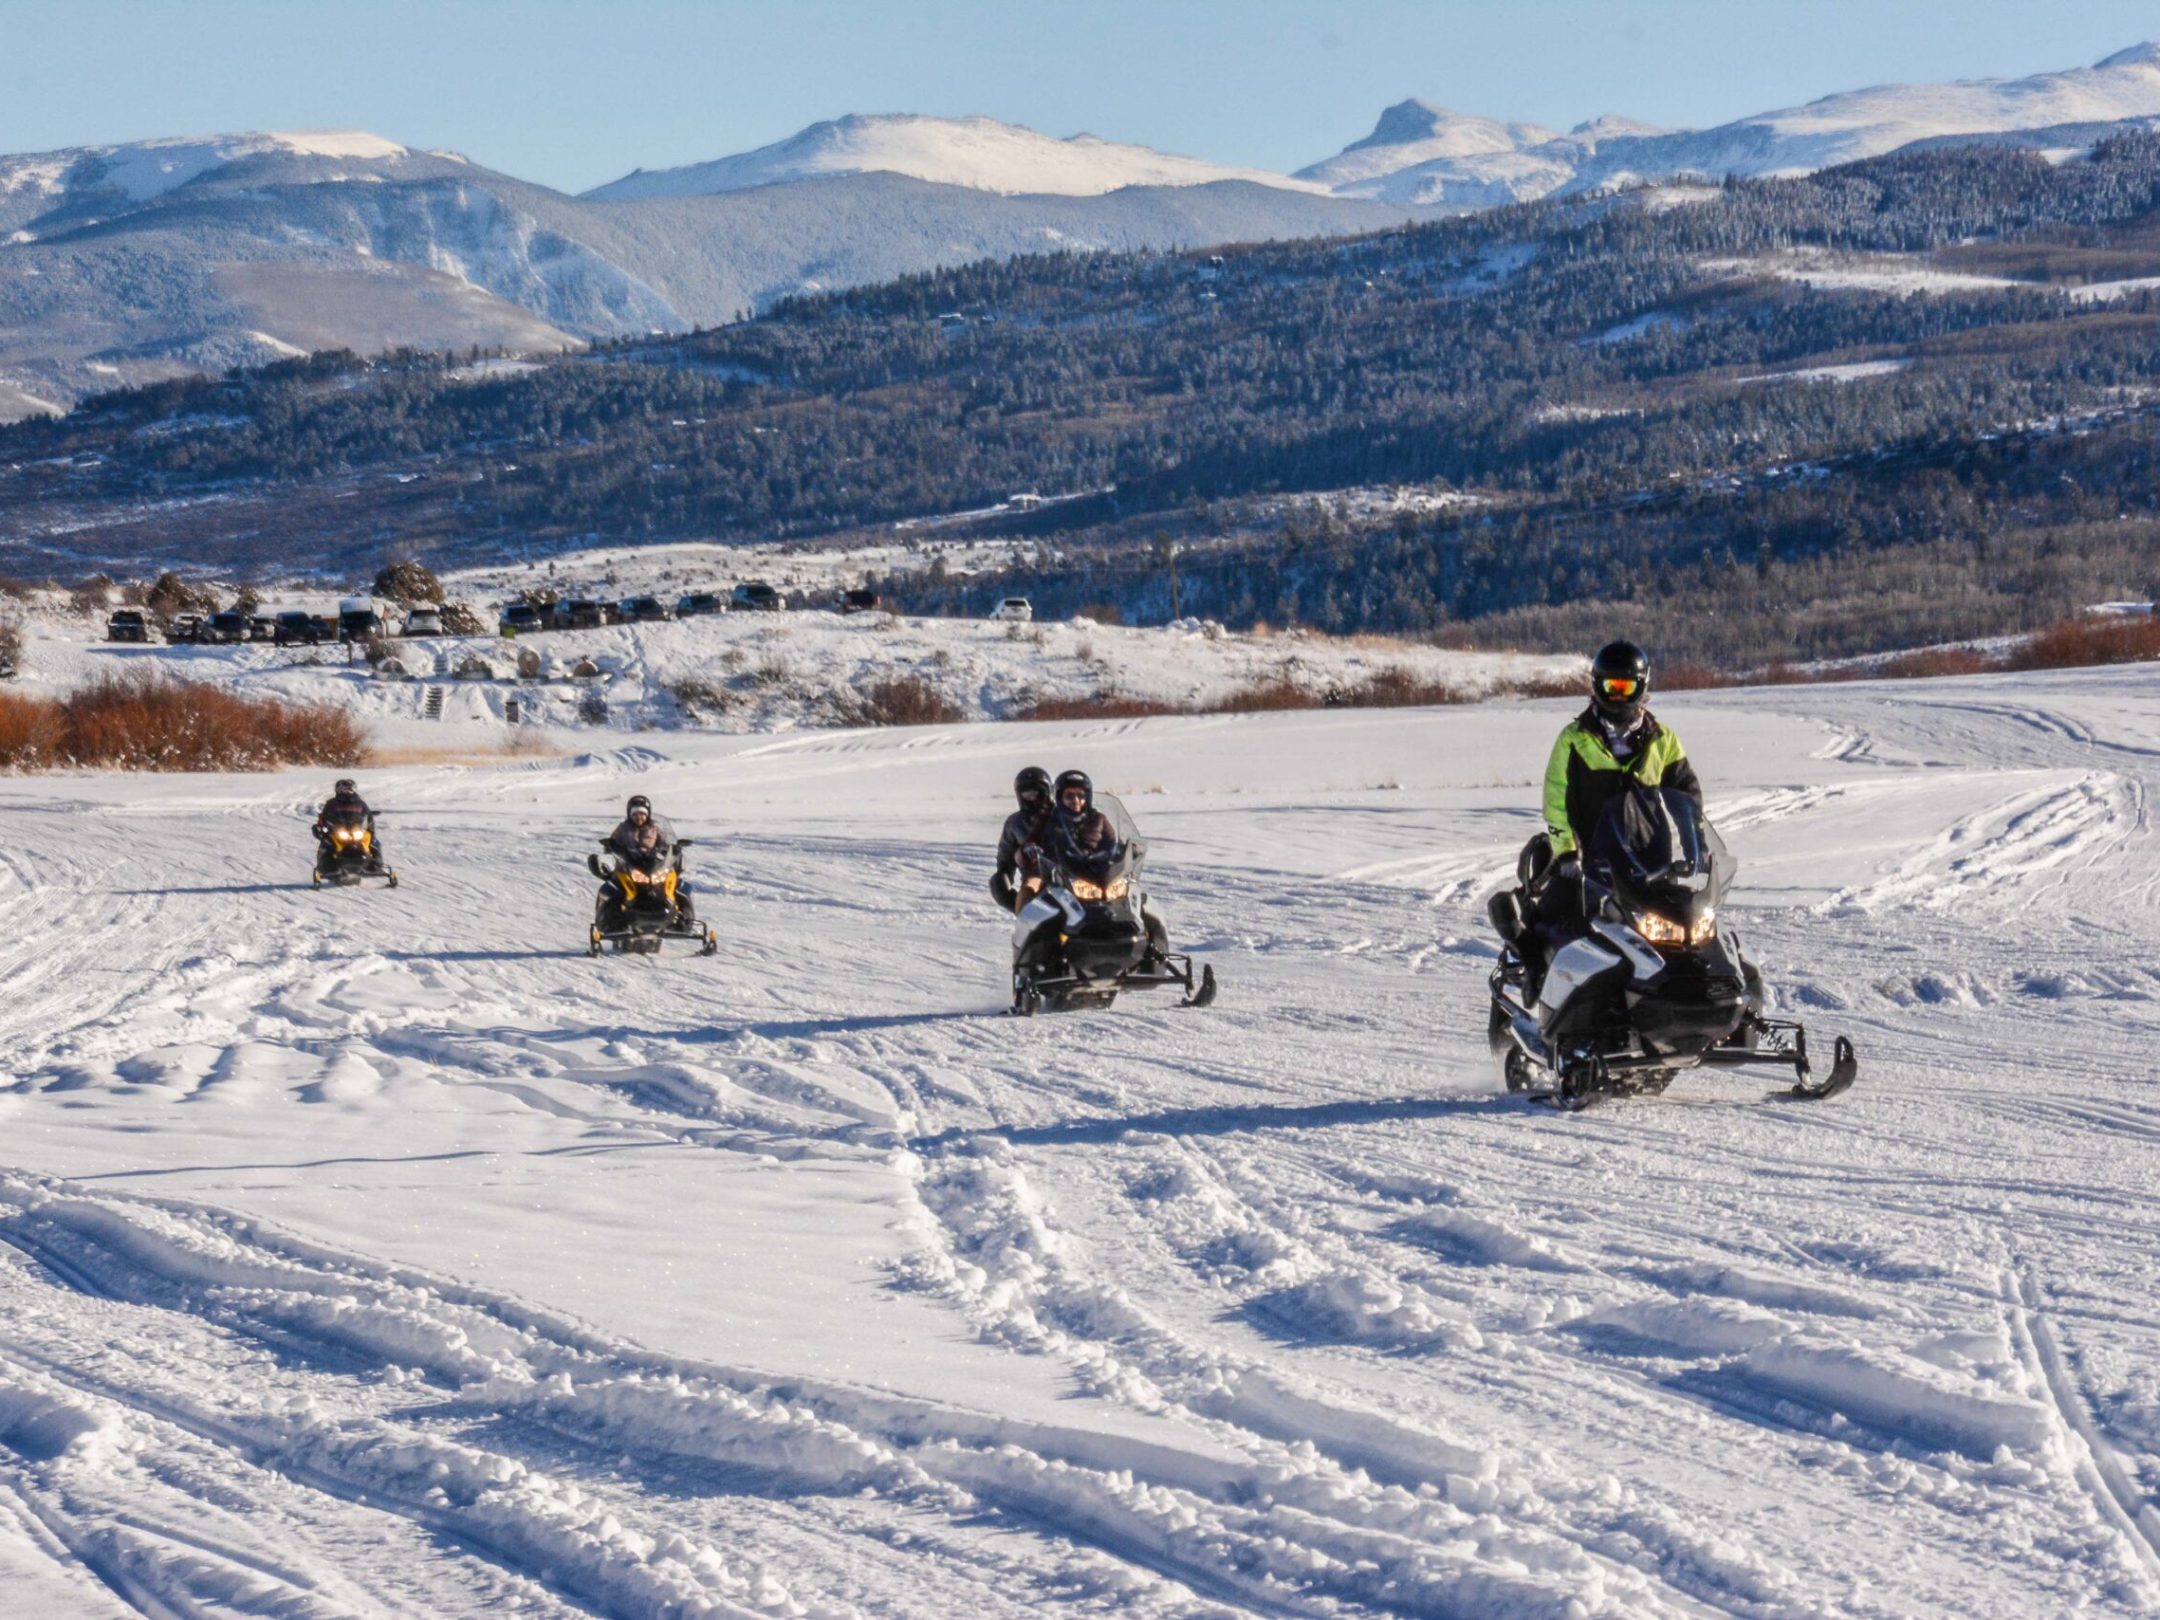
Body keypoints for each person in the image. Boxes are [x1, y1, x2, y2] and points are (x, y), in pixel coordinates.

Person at [1519, 641, 1701, 981]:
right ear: (1596, 686)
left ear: (1641, 687)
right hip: (1589, 860)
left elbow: (1686, 793)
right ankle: (1534, 984)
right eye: (1610, 687)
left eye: (1625, 687)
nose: (1617, 696)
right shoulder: (1574, 739)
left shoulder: (1662, 738)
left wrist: (1696, 845)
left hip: (1649, 860)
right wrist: (1566, 853)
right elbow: (1556, 800)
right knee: (1549, 919)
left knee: (1680, 931)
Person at [596, 793, 695, 923]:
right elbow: (613, 841)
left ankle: (684, 919)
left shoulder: (655, 828)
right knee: (611, 888)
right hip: (628, 865)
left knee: (680, 886)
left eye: (642, 813)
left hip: (652, 864)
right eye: (635, 814)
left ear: (647, 814)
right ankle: (607, 921)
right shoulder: (623, 829)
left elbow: (666, 842)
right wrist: (610, 845)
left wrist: (675, 848)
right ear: (630, 815)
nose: (639, 817)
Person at [991, 766, 1053, 911]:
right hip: (1036, 875)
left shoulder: (1062, 816)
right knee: (1019, 890)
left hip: (1068, 873)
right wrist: (1004, 875)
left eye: (1038, 793)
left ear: (1049, 792)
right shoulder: (1015, 823)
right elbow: (1005, 856)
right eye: (1028, 794)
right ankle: (1027, 925)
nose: (1033, 798)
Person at [313, 777, 383, 870]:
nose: (347, 792)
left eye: (349, 789)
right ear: (338, 790)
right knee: (327, 843)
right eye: (344, 789)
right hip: (338, 830)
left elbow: (367, 815)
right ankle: (325, 865)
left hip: (356, 829)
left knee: (373, 841)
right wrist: (320, 827)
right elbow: (324, 816)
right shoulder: (332, 803)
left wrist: (370, 827)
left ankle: (376, 863)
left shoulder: (360, 803)